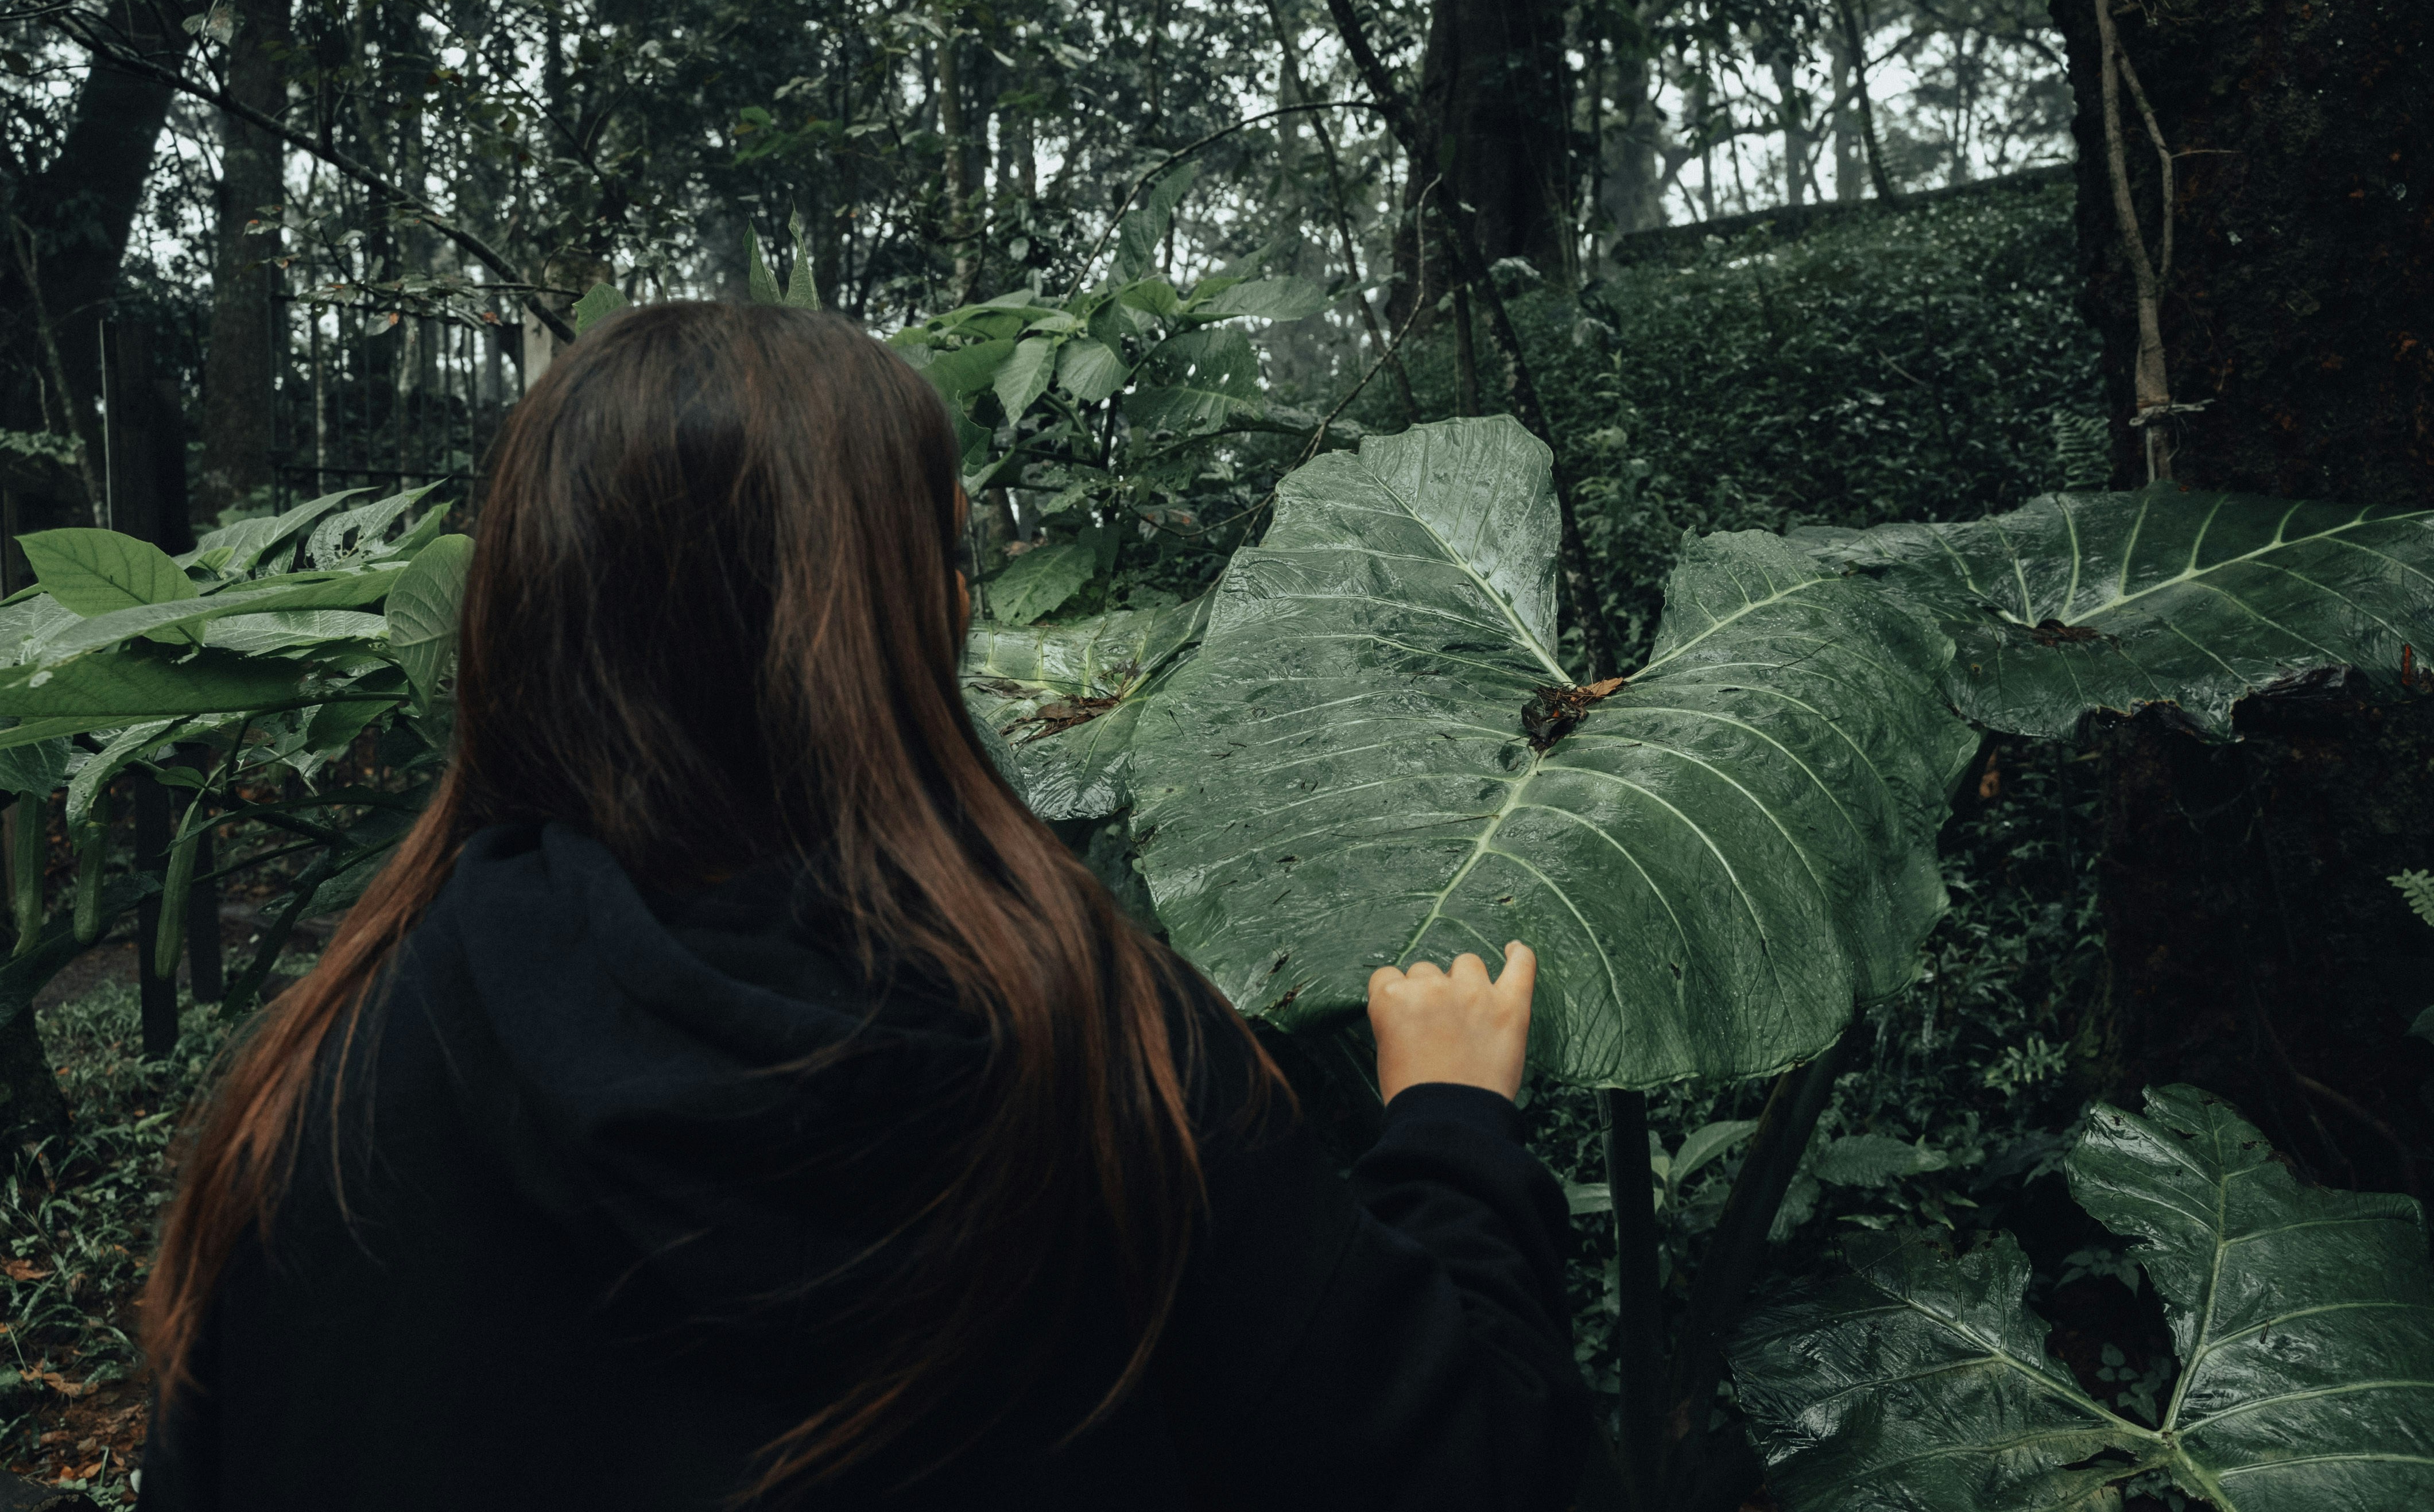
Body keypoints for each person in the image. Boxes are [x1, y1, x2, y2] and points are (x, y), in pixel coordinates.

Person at [138, 304, 1590, 1510]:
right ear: (896, 611)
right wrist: (1452, 1132)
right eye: (951, 555)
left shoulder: (325, 1089)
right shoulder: (1084, 1035)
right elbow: (1454, 1466)